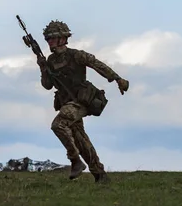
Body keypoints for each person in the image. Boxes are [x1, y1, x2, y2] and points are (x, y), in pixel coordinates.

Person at [36, 20, 129, 183]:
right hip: (67, 103)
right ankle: (100, 175)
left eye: (53, 38)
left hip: (82, 101)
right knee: (80, 139)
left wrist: (117, 79)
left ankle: (75, 161)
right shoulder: (50, 61)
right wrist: (43, 68)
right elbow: (47, 85)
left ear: (63, 39)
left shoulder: (76, 55)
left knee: (59, 124)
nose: (50, 42)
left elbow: (97, 64)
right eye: (47, 39)